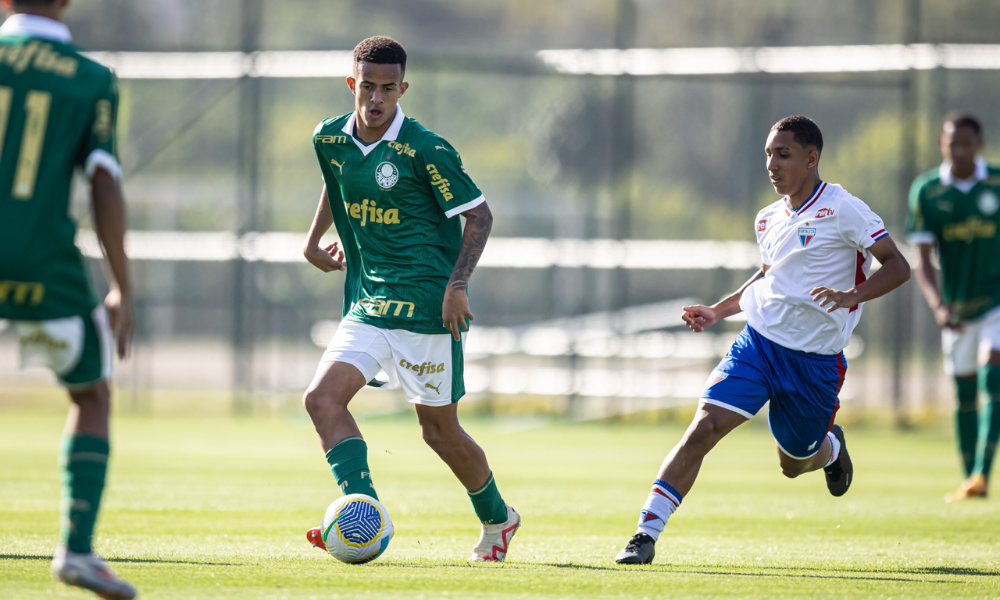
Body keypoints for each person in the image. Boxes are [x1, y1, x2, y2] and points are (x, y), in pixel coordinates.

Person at [615, 116, 911, 565]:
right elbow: (770, 277)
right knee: (703, 427)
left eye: (784, 155)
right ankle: (645, 533)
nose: (772, 164)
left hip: (814, 363)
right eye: (769, 155)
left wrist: (853, 295)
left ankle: (830, 448)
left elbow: (896, 265)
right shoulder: (768, 217)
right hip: (758, 345)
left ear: (812, 159)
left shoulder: (844, 207)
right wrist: (719, 309)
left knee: (793, 464)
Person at [300, 36, 519, 562]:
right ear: (353, 84)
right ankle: (362, 512)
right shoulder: (328, 138)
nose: (377, 99)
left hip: (425, 307)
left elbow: (480, 215)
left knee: (438, 432)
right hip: (371, 301)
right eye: (368, 88)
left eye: (388, 89)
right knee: (321, 400)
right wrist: (312, 241)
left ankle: (498, 520)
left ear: (403, 88)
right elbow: (338, 182)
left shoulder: (425, 148)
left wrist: (457, 286)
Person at [0, 0, 135, 597]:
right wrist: (122, 286)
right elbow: (103, 181)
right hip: (41, 260)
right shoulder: (90, 77)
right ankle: (76, 550)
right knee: (90, 392)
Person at [908, 112, 1000, 502]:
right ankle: (971, 481)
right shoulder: (927, 191)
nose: (959, 150)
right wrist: (938, 305)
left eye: (966, 144)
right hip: (958, 309)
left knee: (991, 375)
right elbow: (923, 259)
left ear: (979, 144)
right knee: (963, 393)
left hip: (996, 302)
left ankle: (982, 472)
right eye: (952, 144)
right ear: (942, 145)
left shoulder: (996, 181)